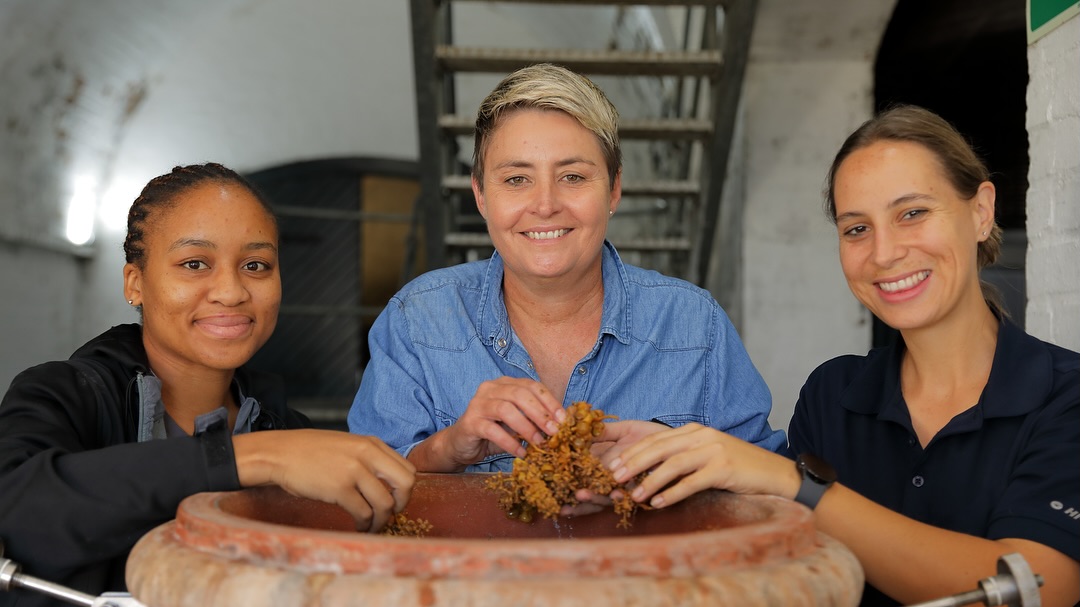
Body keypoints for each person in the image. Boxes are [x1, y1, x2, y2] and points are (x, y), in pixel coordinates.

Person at [600, 106, 1080, 606]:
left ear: (981, 211)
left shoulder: (1066, 396)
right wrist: (662, 468)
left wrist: (792, 482)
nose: (884, 252)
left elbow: (1036, 588)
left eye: (912, 213)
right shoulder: (834, 395)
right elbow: (782, 562)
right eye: (856, 229)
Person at [0, 163, 415, 607]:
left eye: (256, 265)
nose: (231, 291)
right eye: (194, 263)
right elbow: (17, 511)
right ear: (135, 283)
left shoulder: (283, 427)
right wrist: (250, 459)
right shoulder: (64, 394)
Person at [348, 63, 786, 474]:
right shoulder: (417, 322)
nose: (545, 205)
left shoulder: (695, 327)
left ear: (613, 190)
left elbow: (769, 491)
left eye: (573, 177)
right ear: (481, 196)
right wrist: (448, 448)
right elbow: (365, 491)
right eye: (516, 179)